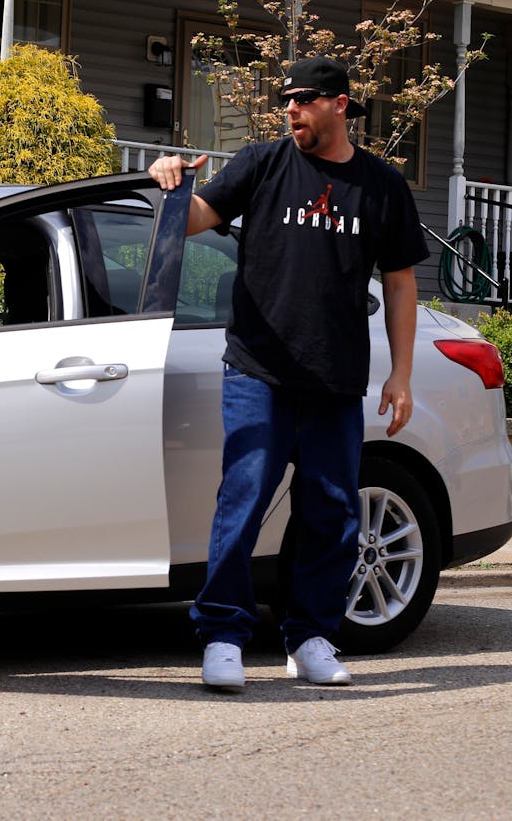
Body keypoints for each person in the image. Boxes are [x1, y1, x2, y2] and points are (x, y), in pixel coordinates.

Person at [148, 56, 429, 690]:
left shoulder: (381, 185)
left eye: (303, 98)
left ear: (340, 103)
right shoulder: (262, 163)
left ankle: (312, 638)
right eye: (286, 100)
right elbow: (196, 218)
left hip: (335, 376)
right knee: (242, 502)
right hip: (258, 370)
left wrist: (401, 374)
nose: (291, 109)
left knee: (332, 513)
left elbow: (402, 283)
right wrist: (168, 181)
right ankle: (222, 636)